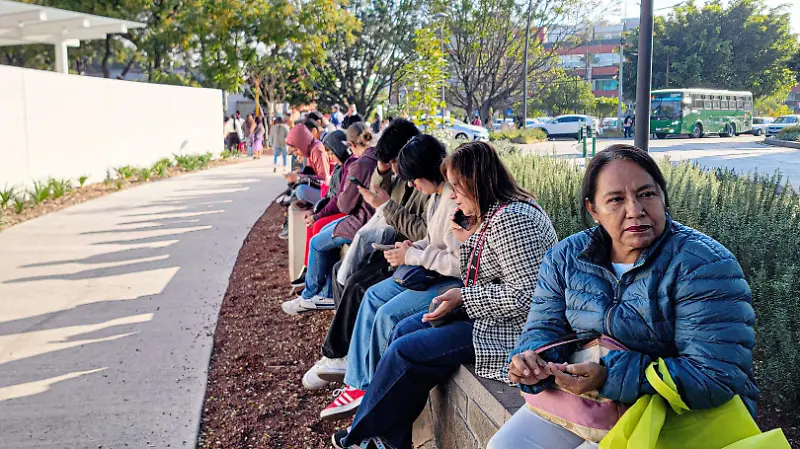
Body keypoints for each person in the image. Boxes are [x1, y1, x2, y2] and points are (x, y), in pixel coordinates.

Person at [487, 144, 758, 449]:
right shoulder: (566, 257)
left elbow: (715, 374)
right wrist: (533, 361)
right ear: (594, 210)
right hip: (589, 402)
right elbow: (543, 328)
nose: (635, 210)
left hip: (673, 411)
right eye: (616, 199)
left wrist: (608, 376)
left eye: (647, 194)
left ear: (663, 196)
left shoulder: (703, 263)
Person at [331, 141, 558, 449]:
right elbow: (481, 275)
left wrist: (463, 298)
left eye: (456, 186)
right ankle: (387, 440)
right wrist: (467, 243)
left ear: (477, 183)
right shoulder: (493, 213)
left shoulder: (513, 219)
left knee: (405, 351)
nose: (452, 195)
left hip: (507, 332)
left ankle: (362, 435)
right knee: (403, 329)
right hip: (486, 317)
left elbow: (526, 298)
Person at [319, 134, 464, 423]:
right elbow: (430, 239)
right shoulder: (437, 196)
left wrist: (412, 255)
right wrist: (412, 249)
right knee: (371, 295)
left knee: (387, 314)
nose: (410, 185)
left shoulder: (453, 201)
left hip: (449, 282)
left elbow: (458, 263)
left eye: (413, 178)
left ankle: (369, 389)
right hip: (427, 269)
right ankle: (357, 383)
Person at [301, 119, 430, 392]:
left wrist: (388, 207)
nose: (395, 170)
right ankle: (342, 356)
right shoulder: (406, 178)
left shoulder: (427, 186)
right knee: (344, 274)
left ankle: (347, 365)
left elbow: (423, 232)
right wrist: (382, 171)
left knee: (363, 288)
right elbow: (383, 198)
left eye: (395, 164)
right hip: (400, 249)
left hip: (414, 258)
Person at [282, 122, 378, 312]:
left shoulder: (360, 163)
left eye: (332, 153)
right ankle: (321, 292)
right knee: (322, 231)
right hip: (365, 217)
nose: (331, 157)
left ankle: (310, 296)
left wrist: (319, 213)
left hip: (361, 220)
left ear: (349, 145)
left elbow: (344, 203)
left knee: (317, 241)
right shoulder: (372, 158)